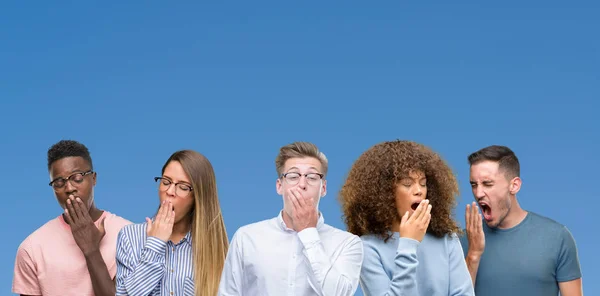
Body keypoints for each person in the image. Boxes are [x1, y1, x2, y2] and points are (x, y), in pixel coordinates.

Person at [218, 141, 363, 296]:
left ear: (324, 188)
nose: (302, 184)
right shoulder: (246, 237)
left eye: (312, 177)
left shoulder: (347, 244)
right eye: (293, 176)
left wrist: (308, 232)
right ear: (280, 186)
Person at [338, 140, 474, 296]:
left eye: (423, 184)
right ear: (385, 192)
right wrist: (409, 244)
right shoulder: (367, 248)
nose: (419, 191)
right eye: (408, 184)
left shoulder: (447, 239)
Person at [12, 140, 132, 296]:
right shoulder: (31, 248)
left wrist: (91, 250)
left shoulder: (130, 236)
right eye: (59, 182)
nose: (69, 188)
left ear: (94, 178)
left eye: (77, 177)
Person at [461, 145, 583, 296]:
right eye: (474, 185)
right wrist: (473, 255)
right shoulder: (460, 242)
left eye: (487, 184)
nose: (478, 193)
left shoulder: (557, 237)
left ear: (514, 185)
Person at [116, 150, 229, 296]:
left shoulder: (217, 251)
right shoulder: (129, 236)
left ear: (198, 197)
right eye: (166, 182)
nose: (169, 191)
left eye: (182, 187)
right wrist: (155, 244)